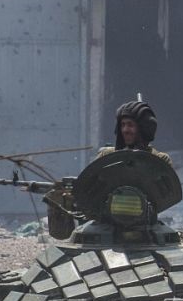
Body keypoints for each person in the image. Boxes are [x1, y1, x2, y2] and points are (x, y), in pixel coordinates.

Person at [45, 100, 171, 238]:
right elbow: (91, 187)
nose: (125, 130)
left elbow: (163, 197)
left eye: (130, 125)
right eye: (122, 125)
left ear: (144, 128)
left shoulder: (159, 160)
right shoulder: (108, 156)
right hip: (106, 228)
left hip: (145, 230)